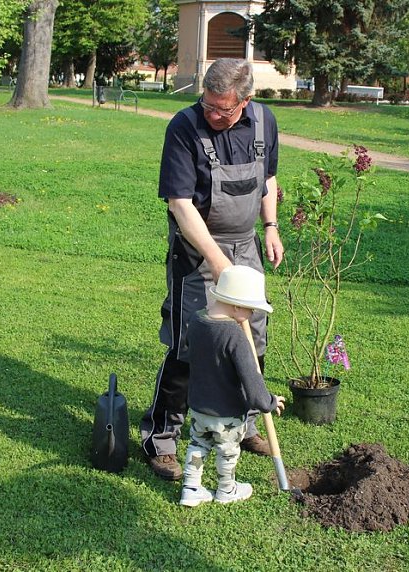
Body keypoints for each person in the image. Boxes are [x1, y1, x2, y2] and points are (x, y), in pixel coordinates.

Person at [140, 58, 285, 480]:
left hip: (246, 247)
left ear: (246, 100)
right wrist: (218, 263)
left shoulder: (264, 122)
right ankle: (161, 439)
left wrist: (271, 227)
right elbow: (180, 205)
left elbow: (268, 179)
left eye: (223, 109)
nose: (214, 114)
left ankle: (243, 426)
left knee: (252, 336)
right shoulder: (184, 127)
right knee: (190, 343)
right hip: (197, 251)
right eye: (209, 104)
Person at [179, 265, 285, 506]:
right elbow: (251, 379)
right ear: (236, 306)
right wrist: (269, 401)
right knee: (227, 452)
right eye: (250, 309)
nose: (251, 315)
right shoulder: (234, 335)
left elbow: (188, 352)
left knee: (198, 445)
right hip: (227, 413)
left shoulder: (197, 320)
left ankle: (191, 488)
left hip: (198, 406)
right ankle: (227, 489)